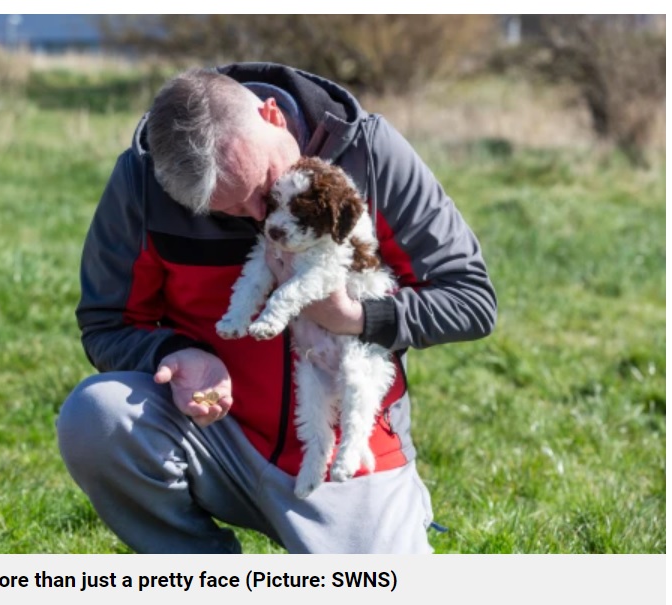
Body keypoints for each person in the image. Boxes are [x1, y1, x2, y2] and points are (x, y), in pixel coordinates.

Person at [57, 63, 496, 554]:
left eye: (263, 190)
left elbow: (471, 300)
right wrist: (173, 353)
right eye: (226, 212)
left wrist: (355, 317)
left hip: (340, 444)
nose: (263, 222)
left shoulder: (370, 152)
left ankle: (388, 512)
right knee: (97, 415)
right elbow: (106, 323)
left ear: (274, 116)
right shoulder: (139, 181)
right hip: (214, 435)